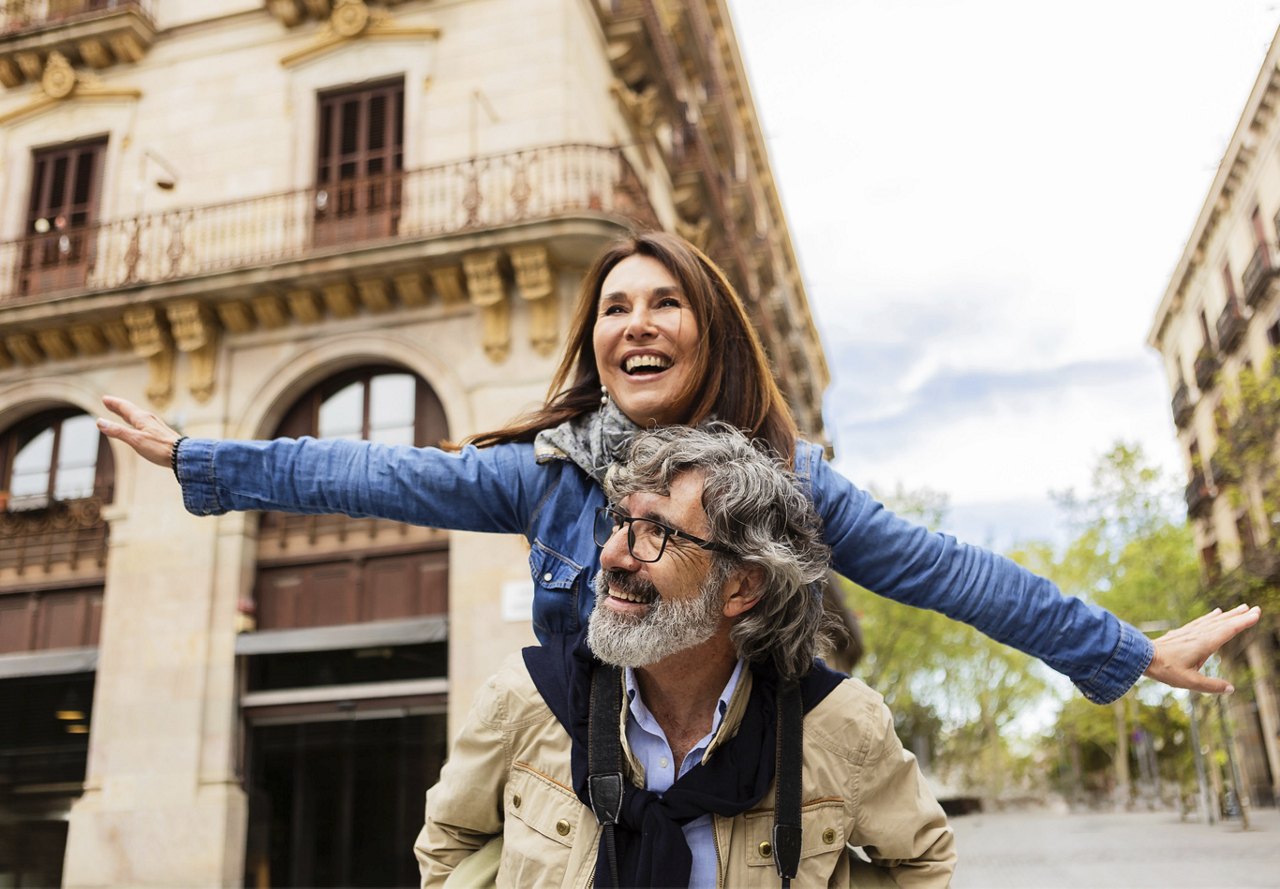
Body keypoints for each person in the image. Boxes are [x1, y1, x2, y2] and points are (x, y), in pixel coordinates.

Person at [97, 231, 1260, 703]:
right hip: (594, 805)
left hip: (744, 810)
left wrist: (1127, 649)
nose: (635, 320)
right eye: (614, 306)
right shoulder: (545, 477)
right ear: (596, 342)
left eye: (664, 301)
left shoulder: (784, 491)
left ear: (706, 332)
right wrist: (207, 455)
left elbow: (946, 571)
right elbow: (369, 474)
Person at [414, 425, 955, 888]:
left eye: (659, 534)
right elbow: (446, 849)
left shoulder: (841, 727)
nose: (612, 555)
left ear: (741, 586)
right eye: (621, 522)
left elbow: (925, 864)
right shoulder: (526, 697)